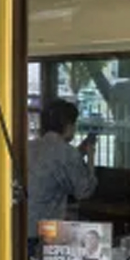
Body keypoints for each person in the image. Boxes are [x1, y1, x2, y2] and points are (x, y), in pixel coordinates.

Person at [26, 100, 99, 246]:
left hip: (21, 226)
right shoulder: (67, 153)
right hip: (44, 232)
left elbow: (53, 166)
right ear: (68, 126)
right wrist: (90, 158)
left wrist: (80, 152)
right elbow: (84, 191)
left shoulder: (30, 146)